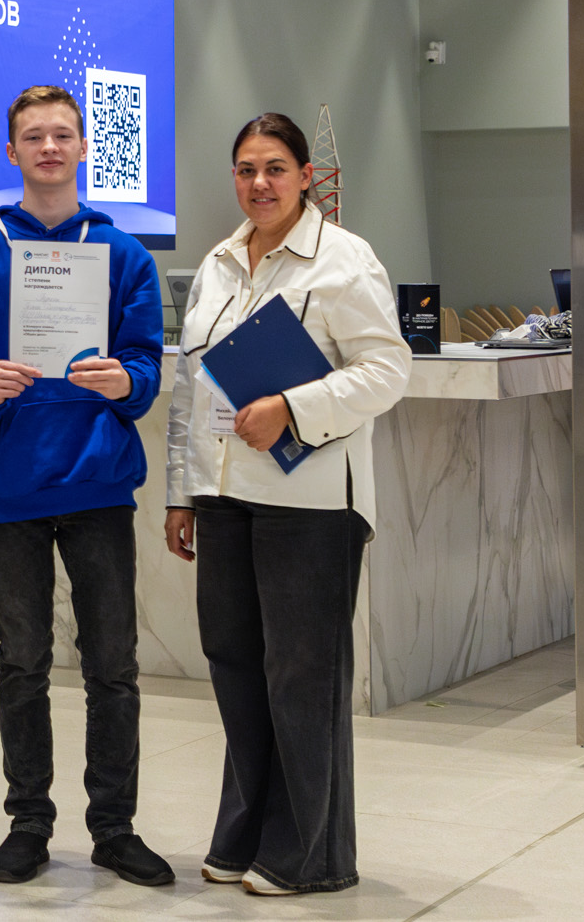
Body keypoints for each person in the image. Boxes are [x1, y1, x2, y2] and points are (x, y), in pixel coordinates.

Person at [163, 112, 411, 896]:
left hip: (312, 502)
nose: (259, 182)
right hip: (225, 496)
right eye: (246, 169)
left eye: (275, 167)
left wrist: (293, 408)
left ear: (307, 176)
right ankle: (244, 832)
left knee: (303, 675)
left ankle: (311, 852)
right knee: (236, 665)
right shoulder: (218, 263)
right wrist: (182, 492)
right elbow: (191, 387)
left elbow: (387, 369)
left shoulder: (344, 259)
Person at [0, 85, 173, 889]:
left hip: (98, 483)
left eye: (62, 134)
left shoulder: (123, 254)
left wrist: (123, 382)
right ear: (11, 152)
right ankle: (28, 822)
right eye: (33, 136)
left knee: (113, 665)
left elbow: (146, 369)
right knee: (22, 663)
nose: (48, 147)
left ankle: (115, 826)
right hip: (11, 488)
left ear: (82, 147)